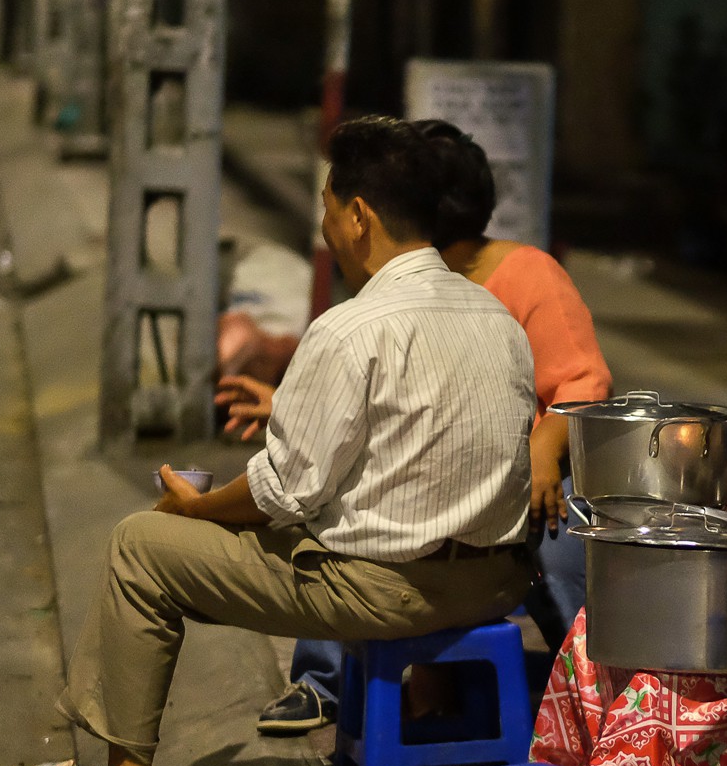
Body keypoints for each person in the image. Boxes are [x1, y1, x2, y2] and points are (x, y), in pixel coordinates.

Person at [58, 117, 539, 766]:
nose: (324, 227)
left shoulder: (350, 328)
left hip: (388, 591)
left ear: (359, 215)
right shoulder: (496, 316)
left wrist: (198, 509)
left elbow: (281, 492)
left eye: (326, 207)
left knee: (140, 544)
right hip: (496, 581)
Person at [222, 120, 613, 733]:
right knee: (336, 507)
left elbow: (585, 384)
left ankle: (593, 694)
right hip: (425, 471)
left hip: (517, 480)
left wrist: (542, 449)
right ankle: (323, 681)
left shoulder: (524, 276)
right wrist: (292, 407)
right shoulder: (395, 283)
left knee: (559, 545)